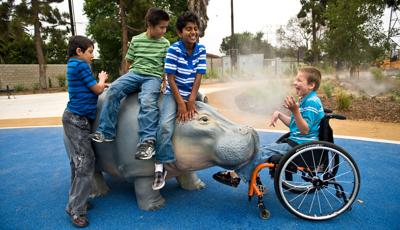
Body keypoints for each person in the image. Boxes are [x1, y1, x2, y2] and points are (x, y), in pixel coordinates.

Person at [213, 66, 325, 186]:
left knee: (262, 152)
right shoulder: (305, 100)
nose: (294, 82)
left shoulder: (311, 102)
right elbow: (295, 125)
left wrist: (295, 111)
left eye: (299, 80)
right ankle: (251, 178)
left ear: (311, 85)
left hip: (300, 147)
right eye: (295, 79)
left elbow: (304, 130)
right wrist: (280, 115)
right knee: (261, 150)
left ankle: (235, 176)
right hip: (295, 143)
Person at [90, 8, 170, 161]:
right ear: (150, 25)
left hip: (153, 77)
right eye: (161, 27)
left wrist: (164, 81)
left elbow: (166, 66)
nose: (164, 30)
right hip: (135, 74)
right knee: (113, 89)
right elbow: (129, 60)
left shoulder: (165, 43)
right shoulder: (136, 40)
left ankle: (147, 142)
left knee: (147, 101)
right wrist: (127, 78)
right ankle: (106, 131)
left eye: (165, 27)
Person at [152, 11, 207, 190]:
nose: (193, 32)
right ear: (180, 32)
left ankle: (200, 155)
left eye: (196, 29)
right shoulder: (174, 49)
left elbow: (198, 76)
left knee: (207, 117)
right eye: (189, 29)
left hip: (191, 92)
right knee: (165, 126)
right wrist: (181, 104)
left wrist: (191, 100)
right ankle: (161, 167)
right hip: (172, 93)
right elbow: (170, 77)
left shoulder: (201, 49)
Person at [63, 35, 109, 227]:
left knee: (78, 162)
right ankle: (76, 210)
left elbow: (89, 89)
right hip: (77, 120)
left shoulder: (72, 65)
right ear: (79, 52)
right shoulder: (81, 65)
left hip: (73, 118)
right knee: (86, 163)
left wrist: (99, 85)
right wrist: (102, 79)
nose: (92, 56)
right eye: (90, 52)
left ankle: (74, 202)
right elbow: (97, 90)